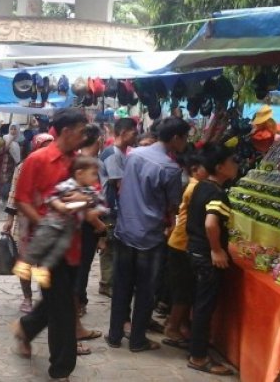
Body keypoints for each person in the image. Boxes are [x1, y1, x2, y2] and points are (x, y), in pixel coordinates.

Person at [11, 108, 88, 381]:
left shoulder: (78, 162)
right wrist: (44, 224)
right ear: (67, 131)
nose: (84, 136)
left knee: (59, 300)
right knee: (64, 309)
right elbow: (22, 199)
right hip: (46, 248)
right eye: (81, 130)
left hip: (74, 245)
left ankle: (26, 328)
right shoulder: (37, 160)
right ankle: (61, 369)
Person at [105, 117, 189, 352]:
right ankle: (137, 339)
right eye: (185, 138)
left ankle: (114, 334)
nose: (186, 142)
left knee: (122, 284)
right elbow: (173, 204)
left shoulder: (134, 155)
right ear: (175, 138)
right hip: (149, 235)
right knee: (145, 289)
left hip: (125, 229)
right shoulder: (170, 168)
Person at [13, 156, 108, 288]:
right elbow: (51, 196)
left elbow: (103, 205)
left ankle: (43, 269)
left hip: (69, 228)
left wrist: (94, 210)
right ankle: (25, 263)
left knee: (60, 248)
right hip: (53, 221)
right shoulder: (68, 185)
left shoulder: (91, 192)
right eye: (93, 174)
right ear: (79, 174)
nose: (95, 179)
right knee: (40, 242)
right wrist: (59, 205)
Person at [185, 144, 239, 376]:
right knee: (205, 306)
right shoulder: (217, 193)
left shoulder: (202, 186)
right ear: (220, 167)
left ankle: (197, 349)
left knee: (200, 304)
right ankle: (198, 357)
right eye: (233, 162)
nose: (236, 165)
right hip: (206, 256)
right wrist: (216, 250)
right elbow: (210, 224)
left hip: (194, 250)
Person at [3, 133, 54, 313]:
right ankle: (27, 297)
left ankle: (44, 295)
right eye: (44, 145)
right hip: (25, 221)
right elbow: (14, 192)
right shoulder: (23, 166)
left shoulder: (55, 165)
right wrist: (9, 219)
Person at [163, 153, 207, 348]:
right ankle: (172, 327)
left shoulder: (193, 186)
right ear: (194, 170)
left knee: (184, 290)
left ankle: (179, 324)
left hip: (181, 243)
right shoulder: (194, 188)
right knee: (183, 290)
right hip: (181, 244)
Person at [97, 117, 138, 297]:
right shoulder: (112, 154)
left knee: (113, 245)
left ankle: (110, 281)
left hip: (113, 207)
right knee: (109, 245)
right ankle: (106, 283)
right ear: (123, 132)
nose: (136, 136)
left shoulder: (121, 153)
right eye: (134, 132)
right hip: (109, 207)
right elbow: (119, 184)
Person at [74, 123, 106, 315]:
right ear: (99, 139)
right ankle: (77, 303)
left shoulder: (80, 160)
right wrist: (100, 226)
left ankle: (79, 300)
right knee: (82, 265)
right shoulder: (88, 163)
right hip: (86, 223)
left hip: (83, 222)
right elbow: (84, 199)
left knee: (80, 265)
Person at [0, 123, 21, 202]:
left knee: (13, 181)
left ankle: (10, 198)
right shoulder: (5, 138)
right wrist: (10, 140)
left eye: (15, 129)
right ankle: (2, 197)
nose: (13, 131)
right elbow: (4, 150)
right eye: (11, 129)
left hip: (14, 164)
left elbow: (19, 156)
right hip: (6, 164)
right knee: (5, 181)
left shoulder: (18, 141)